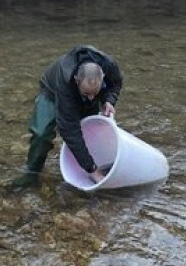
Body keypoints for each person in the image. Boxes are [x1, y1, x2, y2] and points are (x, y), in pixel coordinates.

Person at [10, 45, 123, 187]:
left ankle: (90, 162)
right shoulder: (65, 80)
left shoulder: (109, 65)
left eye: (95, 93)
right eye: (87, 94)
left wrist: (108, 100)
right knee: (41, 135)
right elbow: (69, 130)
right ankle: (31, 173)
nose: (91, 98)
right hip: (52, 91)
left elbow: (116, 84)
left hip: (83, 89)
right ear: (76, 79)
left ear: (103, 77)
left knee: (90, 133)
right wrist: (92, 170)